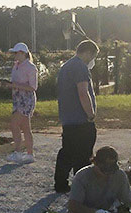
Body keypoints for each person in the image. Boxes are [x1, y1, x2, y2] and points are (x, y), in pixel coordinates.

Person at [54, 40, 100, 193]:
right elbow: (83, 92)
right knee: (83, 153)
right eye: (93, 56)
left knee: (67, 151)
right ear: (88, 53)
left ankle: (60, 183)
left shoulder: (66, 66)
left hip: (68, 117)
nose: (92, 60)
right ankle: (82, 187)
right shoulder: (80, 67)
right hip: (81, 119)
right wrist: (90, 114)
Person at [2, 43, 38, 164]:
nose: (14, 55)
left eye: (16, 53)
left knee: (14, 124)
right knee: (25, 127)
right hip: (18, 99)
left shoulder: (30, 67)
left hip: (26, 100)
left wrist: (13, 85)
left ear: (23, 53)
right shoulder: (16, 65)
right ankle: (29, 154)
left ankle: (18, 152)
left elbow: (33, 87)